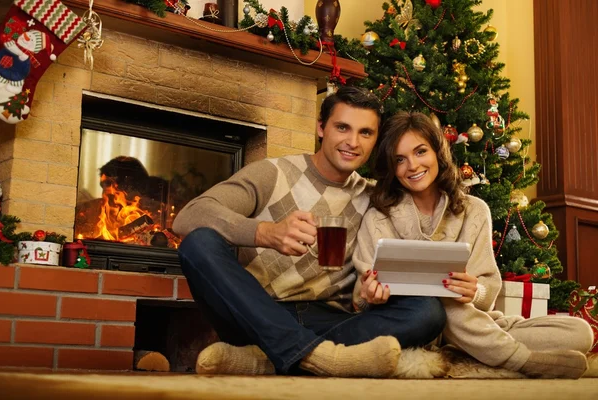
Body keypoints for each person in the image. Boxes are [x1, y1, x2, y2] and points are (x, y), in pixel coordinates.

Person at [173, 87, 446, 378]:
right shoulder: (272, 174)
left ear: (376, 139)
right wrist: (265, 233)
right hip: (255, 311)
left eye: (366, 133)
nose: (352, 142)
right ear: (321, 128)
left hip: (330, 320)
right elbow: (188, 217)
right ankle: (314, 356)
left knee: (427, 311)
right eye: (342, 127)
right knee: (199, 242)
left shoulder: (374, 198)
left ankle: (272, 359)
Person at [352, 111, 593, 379]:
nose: (412, 166)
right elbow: (361, 297)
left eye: (421, 152)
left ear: (437, 152)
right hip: (412, 324)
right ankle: (520, 360)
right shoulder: (377, 217)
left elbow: (487, 291)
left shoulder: (475, 211)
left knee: (580, 332)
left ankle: (471, 351)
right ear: (391, 167)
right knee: (439, 301)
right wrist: (368, 295)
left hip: (471, 324)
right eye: (400, 159)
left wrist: (474, 291)